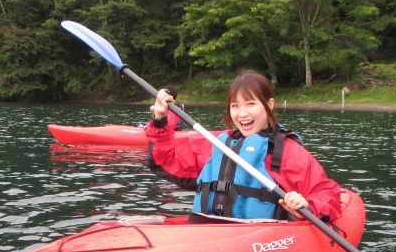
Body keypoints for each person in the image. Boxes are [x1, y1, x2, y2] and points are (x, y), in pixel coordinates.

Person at [146, 70, 342, 221]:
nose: (242, 114)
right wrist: (160, 119)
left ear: (269, 104)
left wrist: (306, 204)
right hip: (210, 233)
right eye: (235, 106)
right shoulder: (218, 143)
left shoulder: (287, 152)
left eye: (250, 104)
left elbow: (327, 193)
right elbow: (166, 159)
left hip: (258, 243)